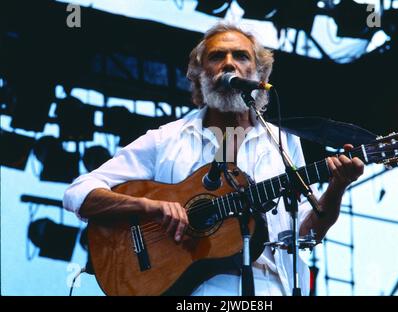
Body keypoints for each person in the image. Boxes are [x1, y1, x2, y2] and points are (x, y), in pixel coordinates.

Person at [63, 23, 364, 296]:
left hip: (271, 288)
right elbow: (79, 193)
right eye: (217, 56)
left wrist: (336, 188)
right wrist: (150, 206)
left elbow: (301, 235)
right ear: (199, 75)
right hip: (192, 292)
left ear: (260, 76)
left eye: (241, 56)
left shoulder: (284, 142)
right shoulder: (165, 139)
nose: (229, 63)